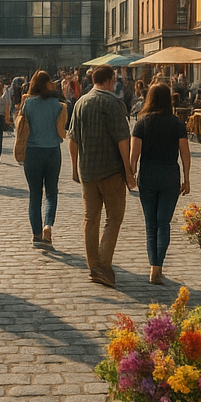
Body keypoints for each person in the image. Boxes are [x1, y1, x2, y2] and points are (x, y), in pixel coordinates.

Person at [68, 65, 137, 288]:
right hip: (111, 171)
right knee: (114, 218)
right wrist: (128, 171)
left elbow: (73, 139)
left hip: (87, 170)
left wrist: (74, 167)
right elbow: (122, 141)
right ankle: (103, 266)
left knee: (91, 219)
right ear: (109, 80)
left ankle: (93, 265)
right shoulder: (114, 103)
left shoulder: (80, 103)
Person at [130, 83, 190, 285]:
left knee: (151, 224)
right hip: (169, 176)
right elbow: (185, 152)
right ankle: (158, 266)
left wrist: (131, 173)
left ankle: (152, 265)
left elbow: (134, 154)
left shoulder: (142, 122)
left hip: (148, 175)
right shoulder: (177, 123)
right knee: (163, 223)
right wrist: (187, 177)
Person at [19, 71, 67, 248]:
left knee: (35, 194)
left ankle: (36, 234)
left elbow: (22, 121)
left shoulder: (28, 104)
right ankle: (48, 225)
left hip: (33, 151)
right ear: (46, 84)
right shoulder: (57, 104)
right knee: (52, 192)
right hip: (53, 151)